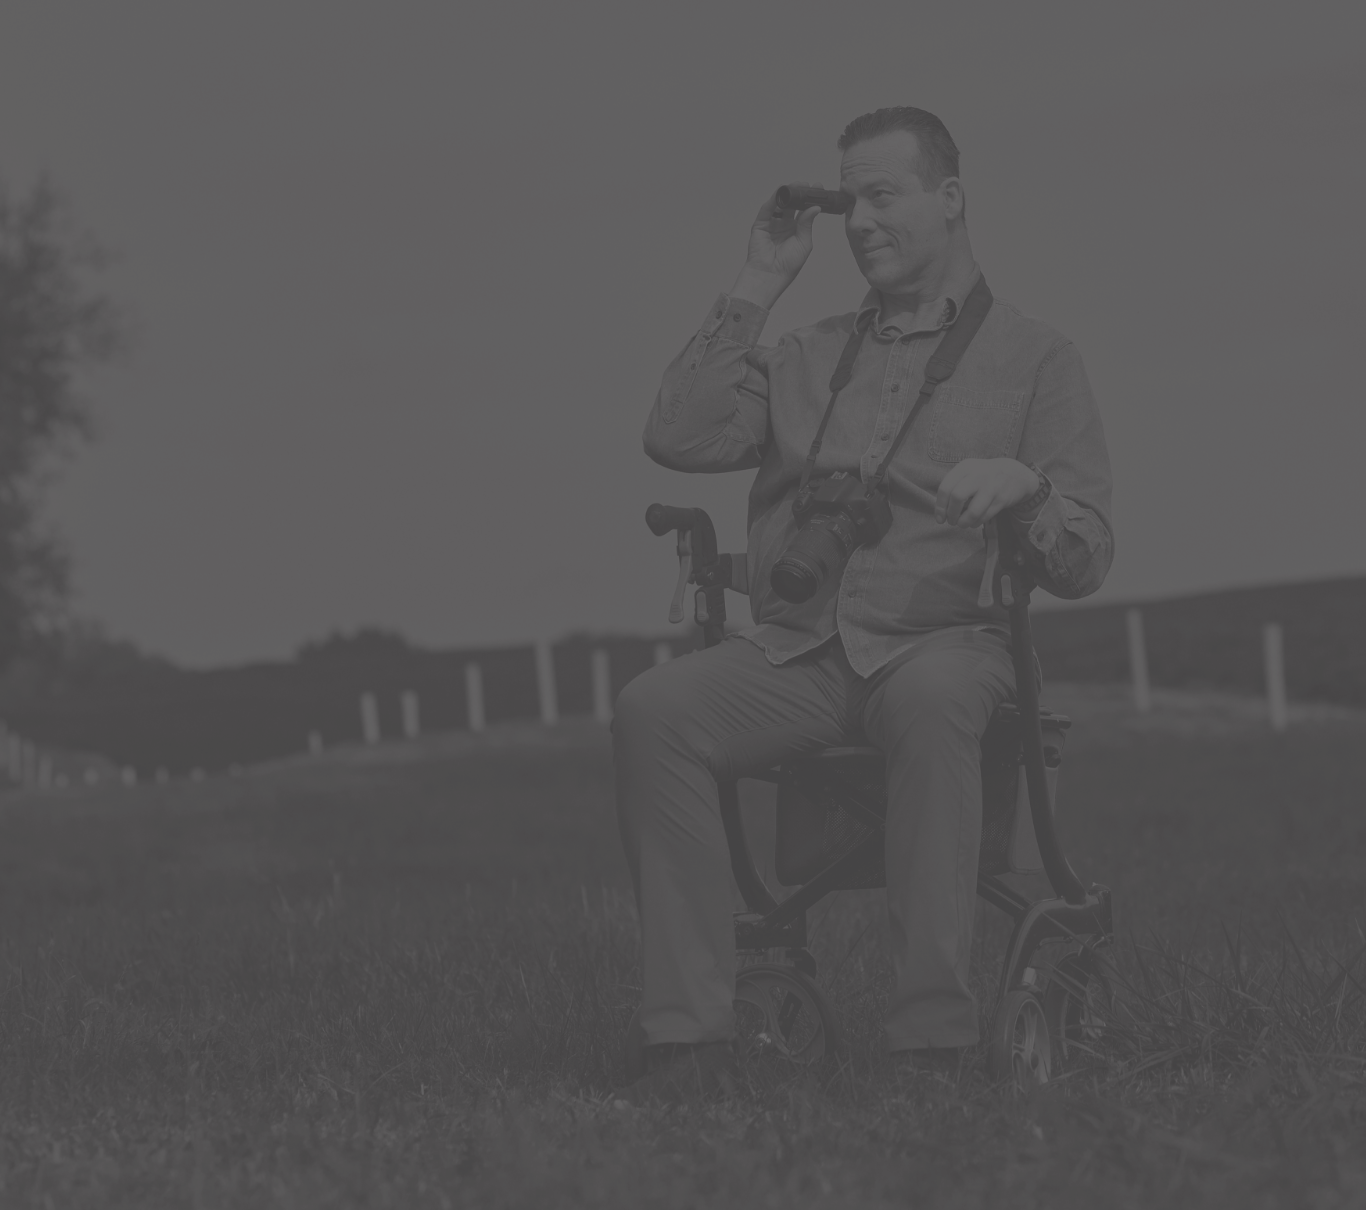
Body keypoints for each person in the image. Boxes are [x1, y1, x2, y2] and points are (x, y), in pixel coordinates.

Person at [614, 106, 1112, 1100]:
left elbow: (1088, 554)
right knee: (654, 709)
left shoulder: (1035, 357)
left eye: (883, 194)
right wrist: (758, 281)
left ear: (949, 198)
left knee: (930, 700)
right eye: (850, 201)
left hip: (946, 645)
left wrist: (1029, 491)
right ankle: (689, 1037)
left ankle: (927, 1039)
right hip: (803, 649)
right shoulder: (806, 352)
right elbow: (676, 435)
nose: (860, 221)